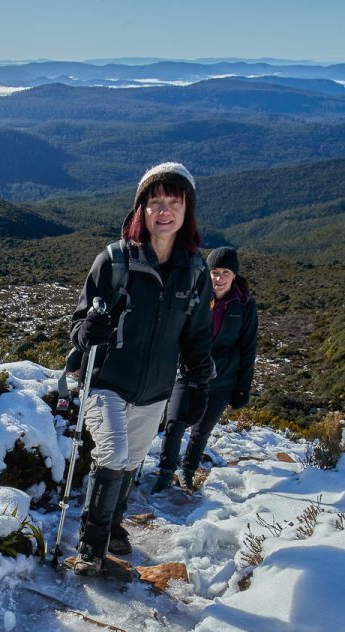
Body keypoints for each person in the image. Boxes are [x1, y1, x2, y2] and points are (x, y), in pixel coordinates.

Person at [66, 162, 213, 576]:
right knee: (112, 453)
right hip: (107, 381)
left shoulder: (195, 271)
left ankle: (113, 525)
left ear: (187, 211)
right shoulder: (114, 261)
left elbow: (198, 336)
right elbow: (78, 326)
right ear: (140, 211)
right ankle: (91, 546)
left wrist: (200, 384)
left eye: (173, 202)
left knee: (130, 463)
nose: (163, 211)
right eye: (154, 203)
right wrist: (87, 331)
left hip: (155, 391)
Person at [153, 245, 258, 494]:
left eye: (225, 272)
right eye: (214, 272)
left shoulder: (244, 305)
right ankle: (165, 472)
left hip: (223, 380)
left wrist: (242, 388)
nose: (218, 278)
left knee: (201, 431)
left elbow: (248, 347)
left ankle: (188, 473)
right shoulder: (194, 297)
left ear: (234, 276)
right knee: (175, 424)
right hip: (188, 371)